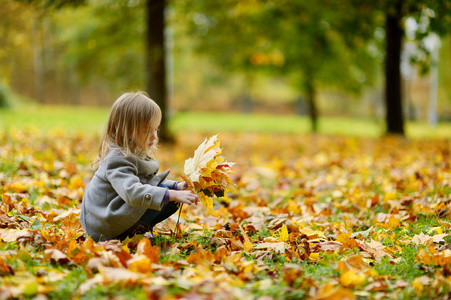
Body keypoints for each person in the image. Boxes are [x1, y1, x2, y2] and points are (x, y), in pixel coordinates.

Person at [80, 91, 199, 241]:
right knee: (163, 193)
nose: (154, 136)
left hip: (116, 215)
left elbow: (146, 183)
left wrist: (177, 187)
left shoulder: (133, 152)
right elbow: (133, 191)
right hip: (104, 225)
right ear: (126, 130)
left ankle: (134, 231)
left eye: (155, 129)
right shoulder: (117, 159)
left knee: (171, 196)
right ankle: (123, 235)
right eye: (146, 130)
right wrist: (170, 193)